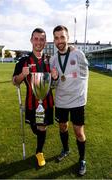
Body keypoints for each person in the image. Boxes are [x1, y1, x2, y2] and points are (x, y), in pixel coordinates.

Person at [50, 25, 89, 176]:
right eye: (56, 37)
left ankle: (82, 159)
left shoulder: (77, 54)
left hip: (77, 101)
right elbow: (53, 85)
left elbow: (86, 72)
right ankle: (65, 149)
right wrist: (54, 78)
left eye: (62, 37)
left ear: (67, 38)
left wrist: (75, 50)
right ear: (54, 40)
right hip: (61, 101)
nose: (59, 40)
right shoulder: (53, 60)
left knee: (79, 132)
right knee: (62, 127)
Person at [12, 28, 54, 167]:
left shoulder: (50, 60)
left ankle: (39, 152)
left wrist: (55, 76)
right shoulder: (23, 61)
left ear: (45, 42)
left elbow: (55, 80)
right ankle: (38, 133)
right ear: (31, 40)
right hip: (31, 103)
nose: (38, 42)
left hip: (47, 102)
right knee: (35, 127)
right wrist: (22, 75)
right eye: (36, 39)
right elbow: (15, 82)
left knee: (42, 126)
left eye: (41, 39)